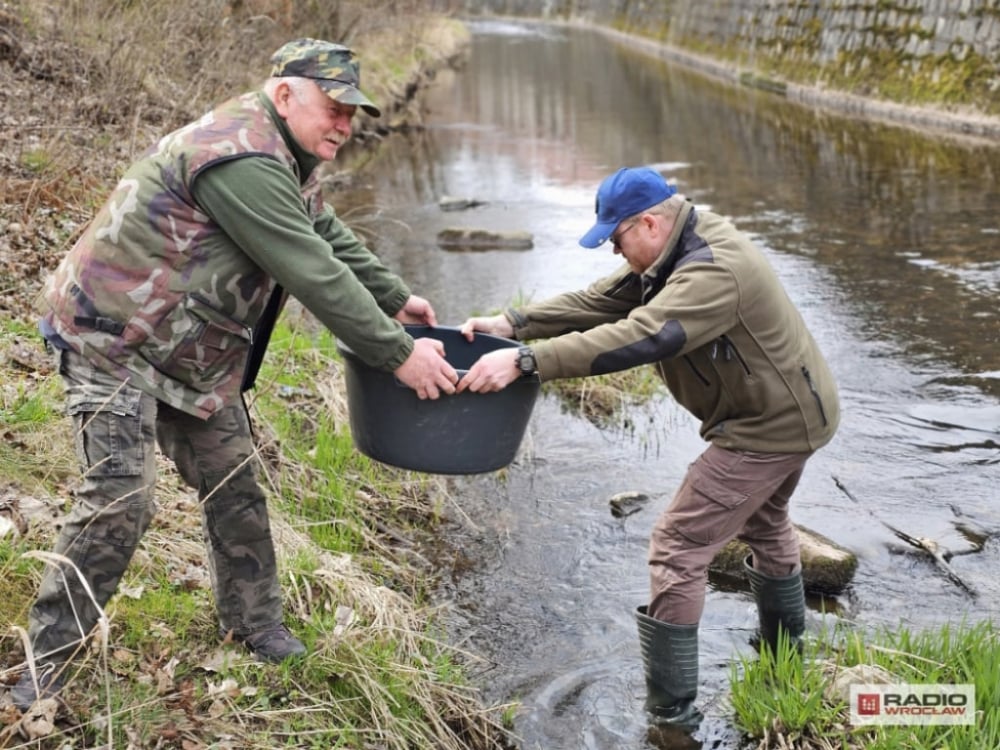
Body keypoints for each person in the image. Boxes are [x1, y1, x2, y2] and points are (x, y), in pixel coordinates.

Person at [12, 38, 459, 711]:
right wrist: (397, 350)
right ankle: (41, 670)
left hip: (185, 354)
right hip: (112, 339)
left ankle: (254, 627)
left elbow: (324, 233)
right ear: (285, 95)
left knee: (235, 489)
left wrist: (394, 294)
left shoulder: (287, 154)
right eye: (333, 108)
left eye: (352, 114)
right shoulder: (241, 156)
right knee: (119, 501)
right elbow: (309, 268)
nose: (344, 124)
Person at [457, 166, 839, 729]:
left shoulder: (713, 270)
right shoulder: (671, 248)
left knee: (677, 546)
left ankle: (672, 719)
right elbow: (600, 302)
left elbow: (644, 334)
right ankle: (784, 658)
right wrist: (514, 324)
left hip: (768, 428)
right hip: (791, 411)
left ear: (650, 222)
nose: (615, 250)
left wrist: (528, 361)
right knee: (766, 521)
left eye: (617, 238)